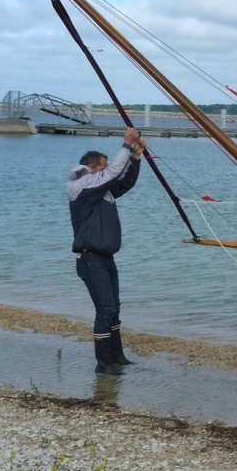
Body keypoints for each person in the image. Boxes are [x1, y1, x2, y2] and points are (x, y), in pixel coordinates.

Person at [67, 126, 146, 376]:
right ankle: (103, 365)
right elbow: (113, 173)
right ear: (94, 167)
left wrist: (135, 158)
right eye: (104, 165)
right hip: (90, 259)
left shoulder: (102, 191)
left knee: (114, 307)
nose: (108, 168)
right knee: (105, 310)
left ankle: (117, 356)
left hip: (105, 257)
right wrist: (126, 144)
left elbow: (123, 183)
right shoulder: (82, 185)